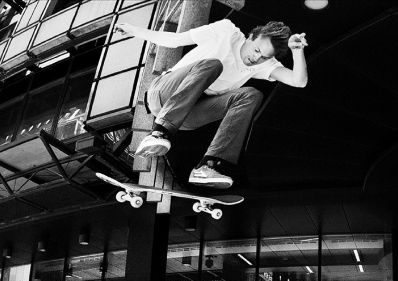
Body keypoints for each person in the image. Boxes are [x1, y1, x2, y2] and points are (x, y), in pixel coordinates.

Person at [114, 18, 309, 189]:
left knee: (251, 95)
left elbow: (298, 81)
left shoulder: (265, 65)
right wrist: (134, 31)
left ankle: (209, 166)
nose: (256, 59)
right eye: (257, 50)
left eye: (264, 57)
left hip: (188, 114)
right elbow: (175, 40)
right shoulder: (225, 31)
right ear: (250, 37)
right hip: (164, 93)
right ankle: (158, 132)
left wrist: (297, 51)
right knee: (213, 64)